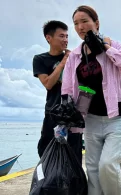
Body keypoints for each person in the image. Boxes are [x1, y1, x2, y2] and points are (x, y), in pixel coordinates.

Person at [61, 5, 121, 195]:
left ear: (96, 23)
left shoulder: (113, 44)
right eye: (76, 23)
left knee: (108, 164)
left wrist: (105, 46)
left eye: (85, 21)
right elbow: (69, 87)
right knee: (93, 168)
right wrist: (67, 116)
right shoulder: (75, 55)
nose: (80, 27)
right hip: (91, 118)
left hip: (118, 116)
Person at [32, 20, 83, 162]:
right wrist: (63, 62)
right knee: (45, 150)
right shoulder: (40, 59)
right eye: (61, 36)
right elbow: (48, 83)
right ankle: (50, 181)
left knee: (74, 152)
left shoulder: (74, 57)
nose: (65, 40)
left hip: (73, 114)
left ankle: (74, 183)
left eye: (67, 36)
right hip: (52, 112)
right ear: (49, 38)